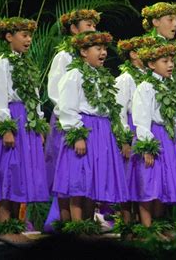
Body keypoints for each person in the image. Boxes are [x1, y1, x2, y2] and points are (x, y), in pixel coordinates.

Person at [0, 17, 49, 242]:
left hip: (27, 123)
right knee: (8, 172)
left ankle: (16, 226)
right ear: (9, 37)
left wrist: (38, 125)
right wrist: (6, 128)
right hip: (11, 121)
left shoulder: (26, 64)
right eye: (24, 35)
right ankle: (3, 226)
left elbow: (35, 97)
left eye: (30, 35)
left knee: (21, 175)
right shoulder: (3, 63)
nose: (28, 39)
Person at [52, 31, 129, 227]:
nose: (103, 52)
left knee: (93, 181)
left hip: (102, 130)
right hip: (84, 128)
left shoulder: (102, 76)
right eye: (98, 49)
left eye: (104, 49)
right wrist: (77, 135)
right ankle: (77, 227)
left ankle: (87, 224)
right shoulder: (74, 75)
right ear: (84, 51)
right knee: (80, 178)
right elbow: (67, 107)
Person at [44, 9, 100, 229]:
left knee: (84, 173)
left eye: (94, 25)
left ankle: (85, 223)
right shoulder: (65, 56)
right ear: (74, 29)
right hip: (66, 120)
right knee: (67, 173)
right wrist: (73, 123)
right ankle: (66, 223)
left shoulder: (92, 60)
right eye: (88, 24)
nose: (93, 29)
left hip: (87, 121)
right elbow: (56, 92)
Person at [131, 43, 176, 232]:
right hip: (153, 136)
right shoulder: (145, 87)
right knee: (150, 182)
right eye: (165, 61)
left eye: (172, 60)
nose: (170, 65)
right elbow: (141, 119)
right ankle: (146, 228)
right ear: (151, 64)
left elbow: (175, 118)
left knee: (164, 184)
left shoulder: (172, 87)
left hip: (169, 138)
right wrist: (147, 146)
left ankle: (159, 226)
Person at [114, 35, 157, 223]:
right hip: (130, 130)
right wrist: (124, 140)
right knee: (127, 178)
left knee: (141, 178)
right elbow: (119, 111)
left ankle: (142, 222)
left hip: (144, 128)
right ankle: (127, 223)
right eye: (144, 50)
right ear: (133, 54)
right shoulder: (126, 79)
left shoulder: (148, 78)